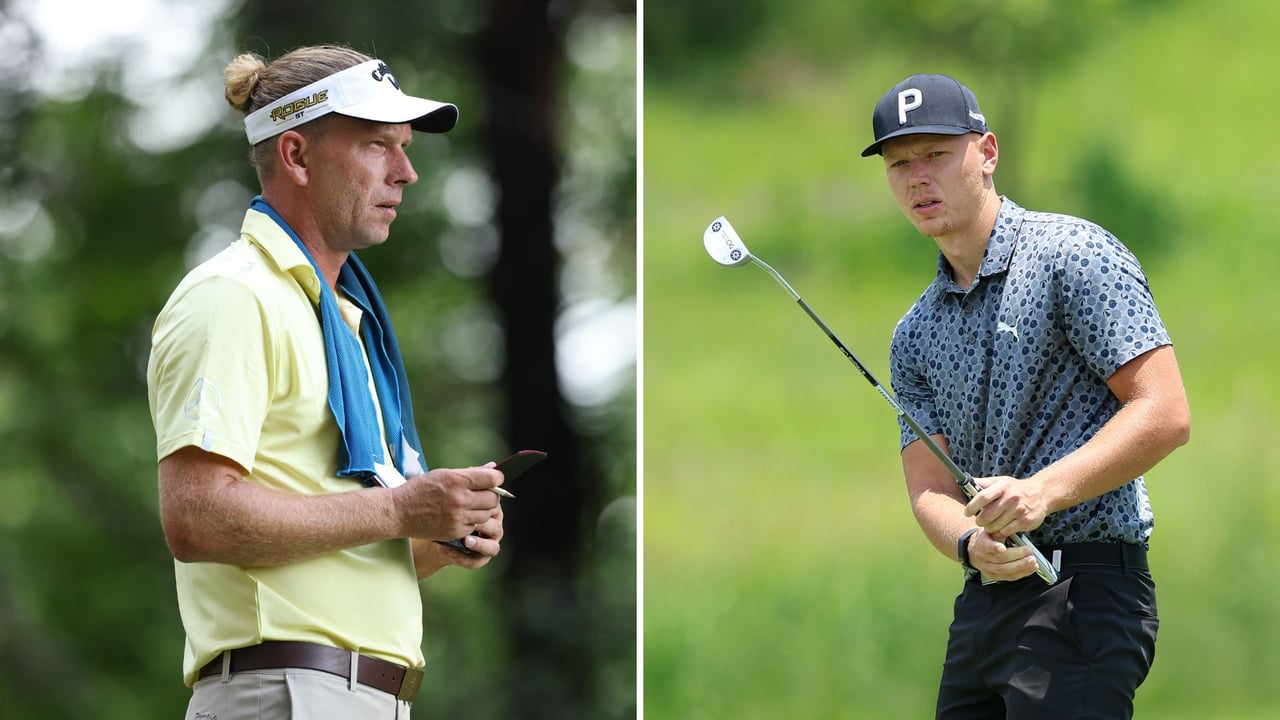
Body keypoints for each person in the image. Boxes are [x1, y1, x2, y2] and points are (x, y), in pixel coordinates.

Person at [146, 44, 507, 719]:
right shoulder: (234, 296)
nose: (406, 172)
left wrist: (438, 532)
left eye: (403, 147)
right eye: (377, 145)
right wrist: (400, 511)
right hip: (287, 690)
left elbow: (341, 546)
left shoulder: (341, 317)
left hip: (353, 697)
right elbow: (195, 517)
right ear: (297, 156)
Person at [861, 73, 1191, 719]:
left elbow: (1165, 412)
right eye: (900, 165)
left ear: (986, 152)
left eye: (935, 155)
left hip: (1084, 591)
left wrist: (1042, 491)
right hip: (983, 604)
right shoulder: (914, 333)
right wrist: (966, 542)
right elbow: (929, 489)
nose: (917, 178)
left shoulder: (1074, 254)